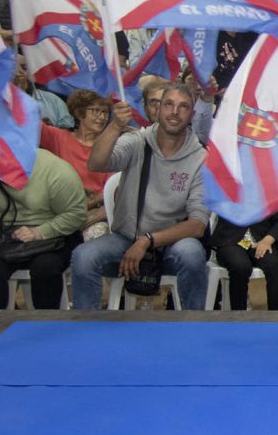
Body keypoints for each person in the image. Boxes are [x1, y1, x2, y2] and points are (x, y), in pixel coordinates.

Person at [70, 84, 210, 310]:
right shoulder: (138, 140)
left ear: (192, 115)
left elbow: (197, 225)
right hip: (126, 238)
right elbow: (96, 163)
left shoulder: (201, 158)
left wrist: (147, 240)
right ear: (158, 109)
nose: (175, 112)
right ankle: (85, 331)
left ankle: (193, 330)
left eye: (183, 107)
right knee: (83, 257)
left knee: (192, 254)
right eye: (168, 104)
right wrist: (115, 126)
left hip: (171, 242)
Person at [0, 150, 86, 314]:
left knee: (46, 268)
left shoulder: (55, 170)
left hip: (55, 233)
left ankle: (45, 326)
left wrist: (39, 232)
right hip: (2, 235)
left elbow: (77, 214)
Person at [39, 90, 114, 240]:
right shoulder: (57, 137)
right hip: (60, 211)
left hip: (96, 213)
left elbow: (113, 186)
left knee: (97, 233)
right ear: (79, 113)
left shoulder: (110, 145)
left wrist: (88, 206)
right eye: (96, 111)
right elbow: (30, 124)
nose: (102, 117)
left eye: (105, 112)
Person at [210, 204, 278, 311]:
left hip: (262, 239)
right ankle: (239, 318)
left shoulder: (276, 188)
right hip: (230, 239)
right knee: (240, 266)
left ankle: (277, 319)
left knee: (275, 265)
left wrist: (268, 240)